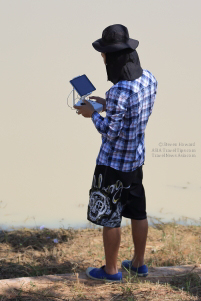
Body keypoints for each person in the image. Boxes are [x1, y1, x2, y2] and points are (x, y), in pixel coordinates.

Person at [74, 24, 158, 282]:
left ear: (113, 57)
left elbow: (110, 131)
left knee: (111, 216)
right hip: (135, 158)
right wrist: (106, 102)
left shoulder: (119, 91)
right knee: (138, 210)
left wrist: (92, 114)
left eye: (104, 54)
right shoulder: (149, 79)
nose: (102, 58)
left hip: (113, 163)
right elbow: (133, 107)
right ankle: (138, 264)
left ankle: (111, 271)